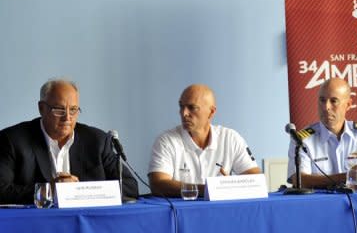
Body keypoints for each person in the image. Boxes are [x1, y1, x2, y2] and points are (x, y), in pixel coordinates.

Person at [0, 78, 139, 204]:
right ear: (42, 108)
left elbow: (129, 186)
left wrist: (78, 192)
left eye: (73, 110)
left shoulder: (97, 141)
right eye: (59, 110)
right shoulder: (13, 140)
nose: (67, 117)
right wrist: (48, 191)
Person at [148, 84, 261, 197]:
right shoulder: (166, 141)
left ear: (211, 112)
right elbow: (158, 185)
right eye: (181, 106)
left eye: (192, 107)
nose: (184, 113)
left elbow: (256, 180)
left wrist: (229, 185)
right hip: (181, 212)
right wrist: (211, 189)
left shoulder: (230, 138)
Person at [287, 78, 357, 189]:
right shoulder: (302, 140)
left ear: (348, 105)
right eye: (322, 100)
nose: (326, 107)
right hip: (321, 204)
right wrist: (348, 176)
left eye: (333, 101)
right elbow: (299, 180)